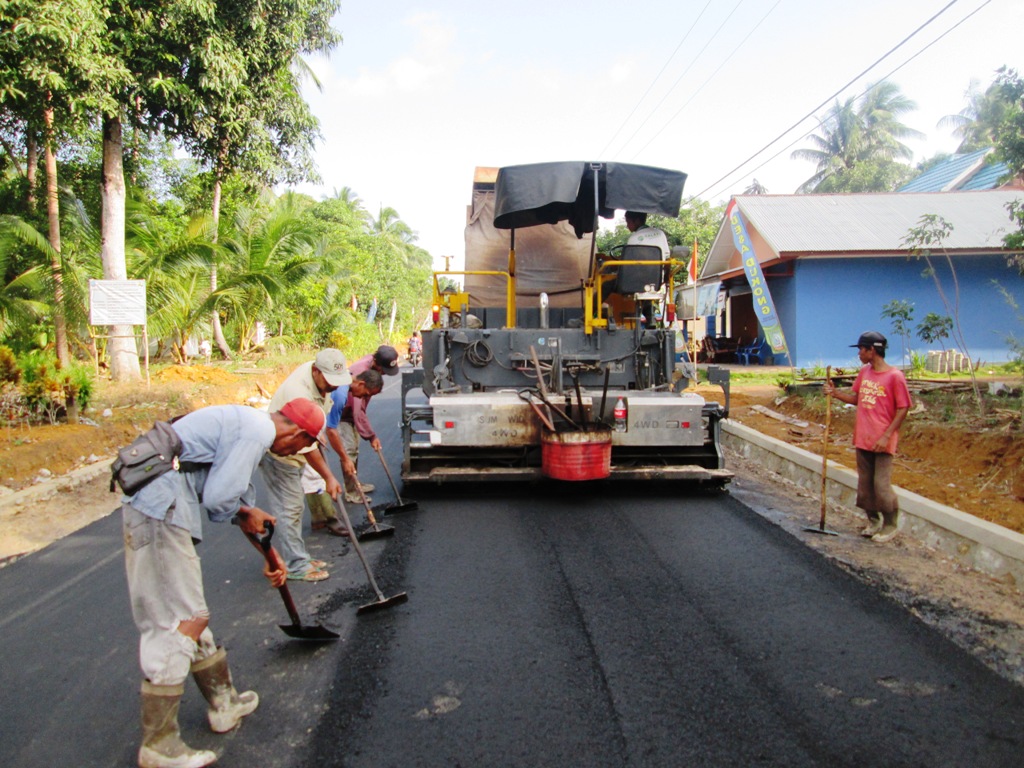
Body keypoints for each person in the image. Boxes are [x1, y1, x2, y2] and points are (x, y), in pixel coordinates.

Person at [120, 398, 326, 768]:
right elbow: (220, 501)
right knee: (182, 619)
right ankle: (159, 744)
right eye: (302, 445)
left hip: (164, 503)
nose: (297, 452)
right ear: (296, 432)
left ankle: (224, 703)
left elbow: (239, 506)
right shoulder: (258, 431)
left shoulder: (249, 426)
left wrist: (271, 556)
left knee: (192, 614)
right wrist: (247, 514)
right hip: (158, 508)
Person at [260, 348, 350, 582]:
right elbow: (307, 446)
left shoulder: (322, 377)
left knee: (295, 507)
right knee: (289, 508)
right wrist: (329, 477)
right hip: (281, 454)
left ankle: (298, 556)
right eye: (330, 382)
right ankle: (295, 564)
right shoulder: (298, 393)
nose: (334, 387)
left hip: (299, 447)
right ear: (316, 371)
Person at [824, 331, 912, 543]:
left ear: (871, 350)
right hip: (863, 437)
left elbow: (903, 408)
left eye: (861, 350)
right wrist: (835, 394)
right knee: (865, 485)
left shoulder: (894, 377)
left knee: (881, 485)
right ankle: (872, 520)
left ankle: (890, 524)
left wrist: (886, 436)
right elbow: (857, 399)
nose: (859, 354)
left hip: (882, 440)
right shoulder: (865, 372)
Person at [307, 369, 384, 536]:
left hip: (313, 420)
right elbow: (332, 430)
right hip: (301, 425)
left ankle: (319, 520)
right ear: (361, 383)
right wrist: (344, 458)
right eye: (365, 394)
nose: (363, 398)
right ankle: (329, 520)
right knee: (315, 475)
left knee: (313, 475)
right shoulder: (341, 394)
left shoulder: (344, 386)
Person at [339, 347, 396, 504]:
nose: (383, 373)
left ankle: (355, 482)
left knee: (354, 449)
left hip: (351, 413)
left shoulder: (372, 366)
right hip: (341, 413)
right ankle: (351, 492)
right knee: (349, 451)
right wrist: (371, 436)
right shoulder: (359, 374)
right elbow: (358, 412)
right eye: (383, 370)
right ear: (376, 363)